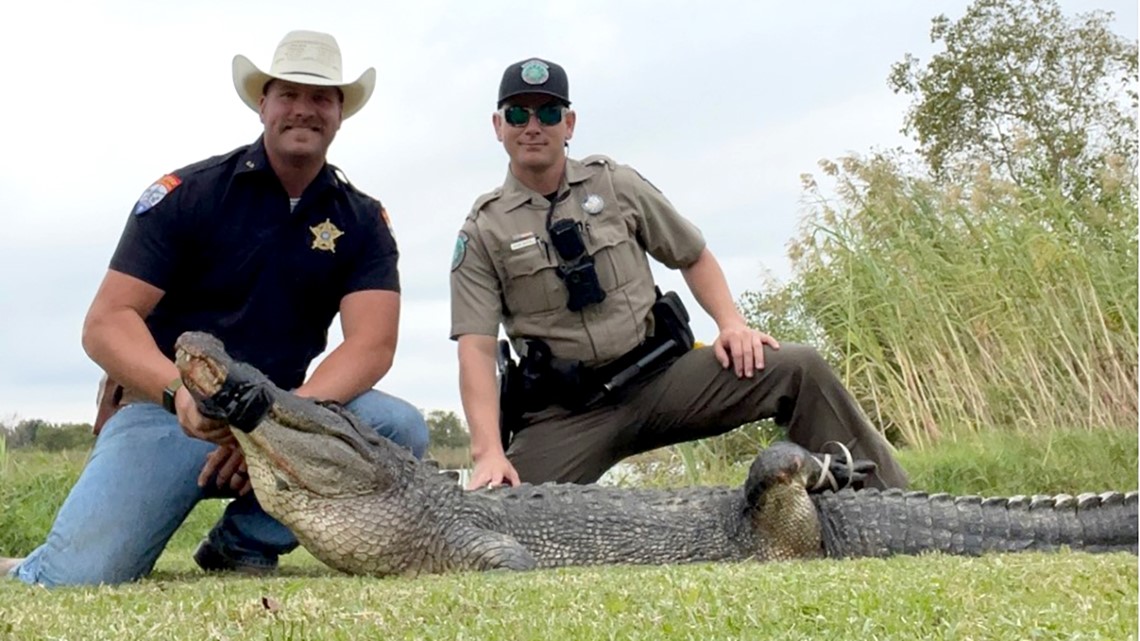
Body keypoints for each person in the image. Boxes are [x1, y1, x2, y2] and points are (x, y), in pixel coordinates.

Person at [0, 30, 428, 587]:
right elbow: (106, 323)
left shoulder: (363, 219)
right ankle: (28, 566)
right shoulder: (189, 193)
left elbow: (372, 343)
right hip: (169, 413)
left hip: (284, 413)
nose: (303, 109)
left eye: (321, 97)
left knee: (398, 426)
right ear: (262, 104)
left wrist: (277, 425)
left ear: (340, 112)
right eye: (288, 94)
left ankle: (242, 543)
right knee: (78, 578)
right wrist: (178, 396)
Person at [450, 57, 908, 490]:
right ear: (498, 126)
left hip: (664, 380)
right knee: (501, 510)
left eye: (548, 113)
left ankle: (884, 502)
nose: (533, 126)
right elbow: (476, 348)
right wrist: (488, 452)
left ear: (569, 124)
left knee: (798, 367)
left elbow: (693, 254)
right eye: (518, 114)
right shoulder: (483, 230)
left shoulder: (615, 184)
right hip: (570, 414)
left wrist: (731, 324)